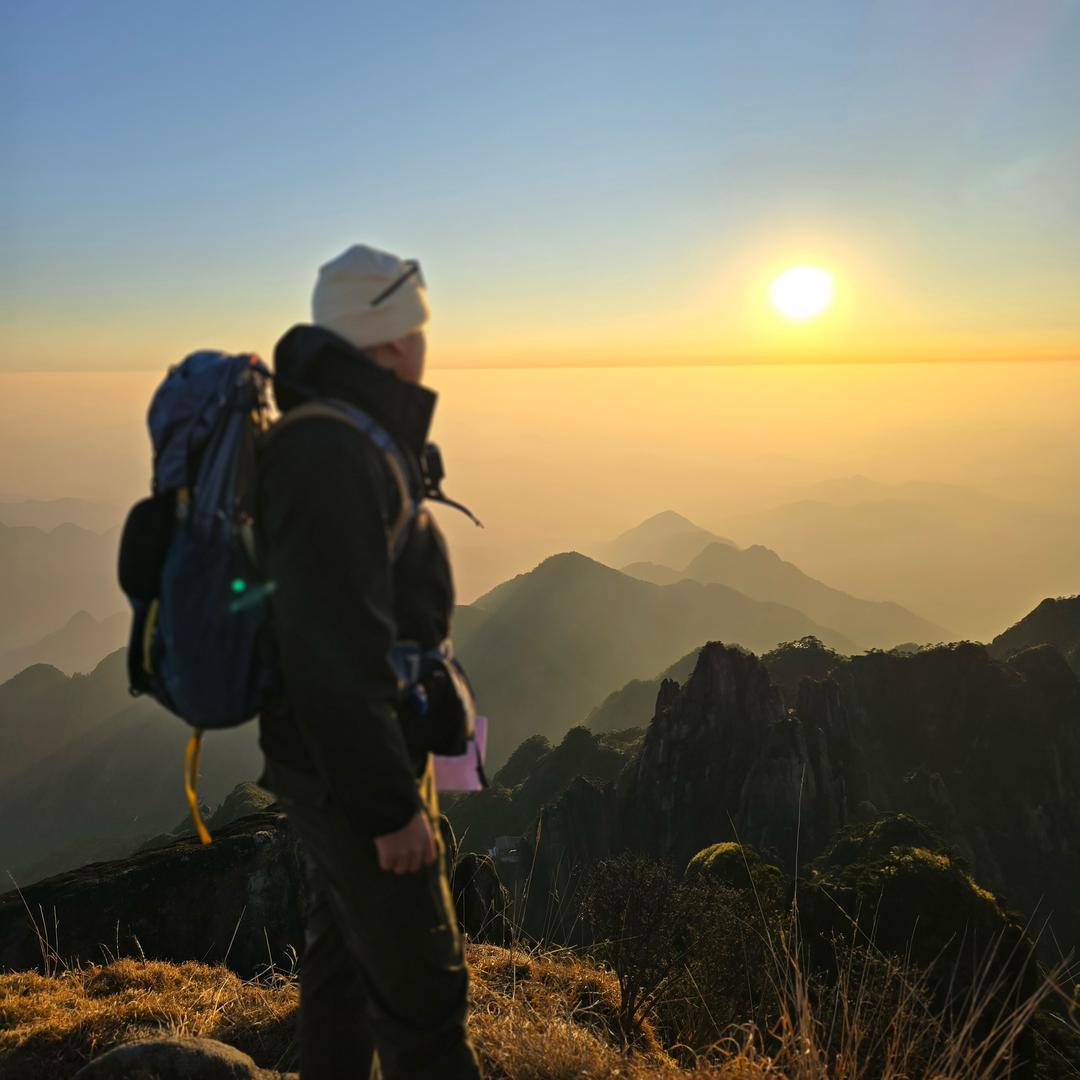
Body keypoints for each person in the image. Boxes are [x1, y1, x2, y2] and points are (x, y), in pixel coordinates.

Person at [256, 244, 483, 1079]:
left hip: (345, 761)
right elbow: (329, 657)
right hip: (352, 771)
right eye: (418, 327)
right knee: (425, 1001)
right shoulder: (328, 453)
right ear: (389, 336)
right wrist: (390, 810)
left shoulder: (345, 431)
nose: (426, 344)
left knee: (343, 966)